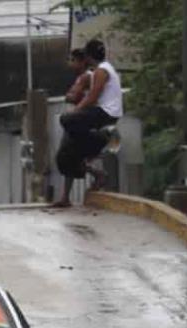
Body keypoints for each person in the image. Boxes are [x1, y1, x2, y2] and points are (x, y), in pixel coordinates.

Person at [52, 39, 123, 208]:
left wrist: (76, 110)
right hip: (86, 119)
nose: (71, 64)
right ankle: (67, 196)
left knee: (66, 121)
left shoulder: (94, 73)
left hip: (95, 116)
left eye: (73, 60)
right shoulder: (99, 72)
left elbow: (90, 97)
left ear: (86, 59)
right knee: (66, 157)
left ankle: (99, 139)